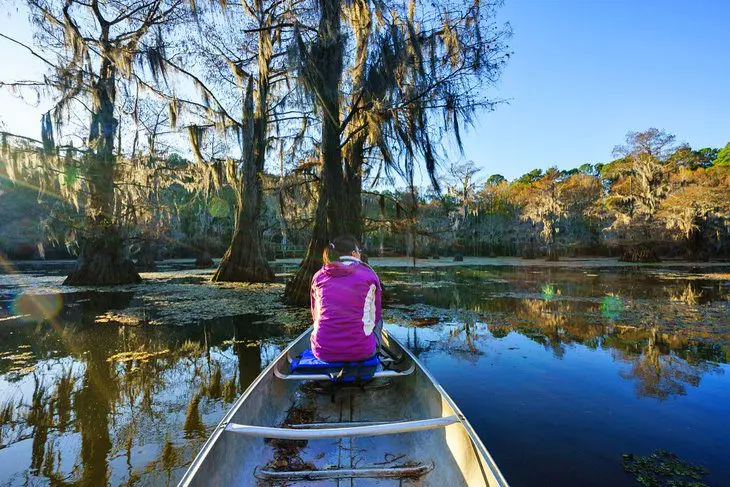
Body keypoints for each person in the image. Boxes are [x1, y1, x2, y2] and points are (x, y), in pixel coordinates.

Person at [310, 235, 382, 362]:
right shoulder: (369, 275)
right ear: (354, 254)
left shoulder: (318, 276)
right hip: (361, 352)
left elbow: (315, 316)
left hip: (323, 352)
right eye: (359, 252)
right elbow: (375, 317)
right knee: (379, 320)